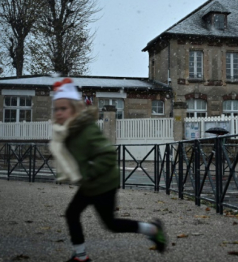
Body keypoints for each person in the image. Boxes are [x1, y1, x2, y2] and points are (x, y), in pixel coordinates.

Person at [49, 78, 166, 262]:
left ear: (74, 109)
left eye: (63, 108)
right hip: (90, 183)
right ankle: (81, 256)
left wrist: (89, 172)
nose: (59, 113)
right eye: (56, 109)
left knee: (111, 224)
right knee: (72, 214)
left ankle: (153, 229)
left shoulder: (86, 129)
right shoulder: (69, 130)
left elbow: (108, 154)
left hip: (103, 183)